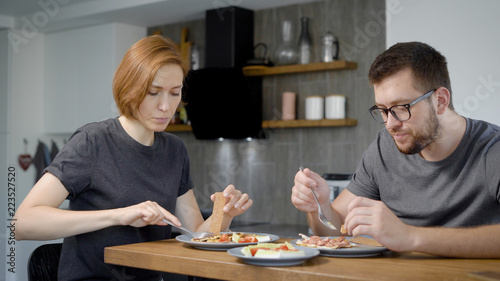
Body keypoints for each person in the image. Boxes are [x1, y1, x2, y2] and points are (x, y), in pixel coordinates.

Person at [15, 35, 253, 280]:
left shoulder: (174, 150)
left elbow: (195, 233)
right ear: (130, 88)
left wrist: (223, 215)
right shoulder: (92, 142)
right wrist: (119, 215)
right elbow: (22, 224)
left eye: (174, 93)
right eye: (153, 92)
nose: (166, 106)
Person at [291, 41, 500, 258]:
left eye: (402, 108)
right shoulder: (384, 148)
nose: (390, 124)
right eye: (382, 110)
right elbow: (333, 230)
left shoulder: (492, 149)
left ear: (440, 100)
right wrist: (320, 206)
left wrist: (409, 236)